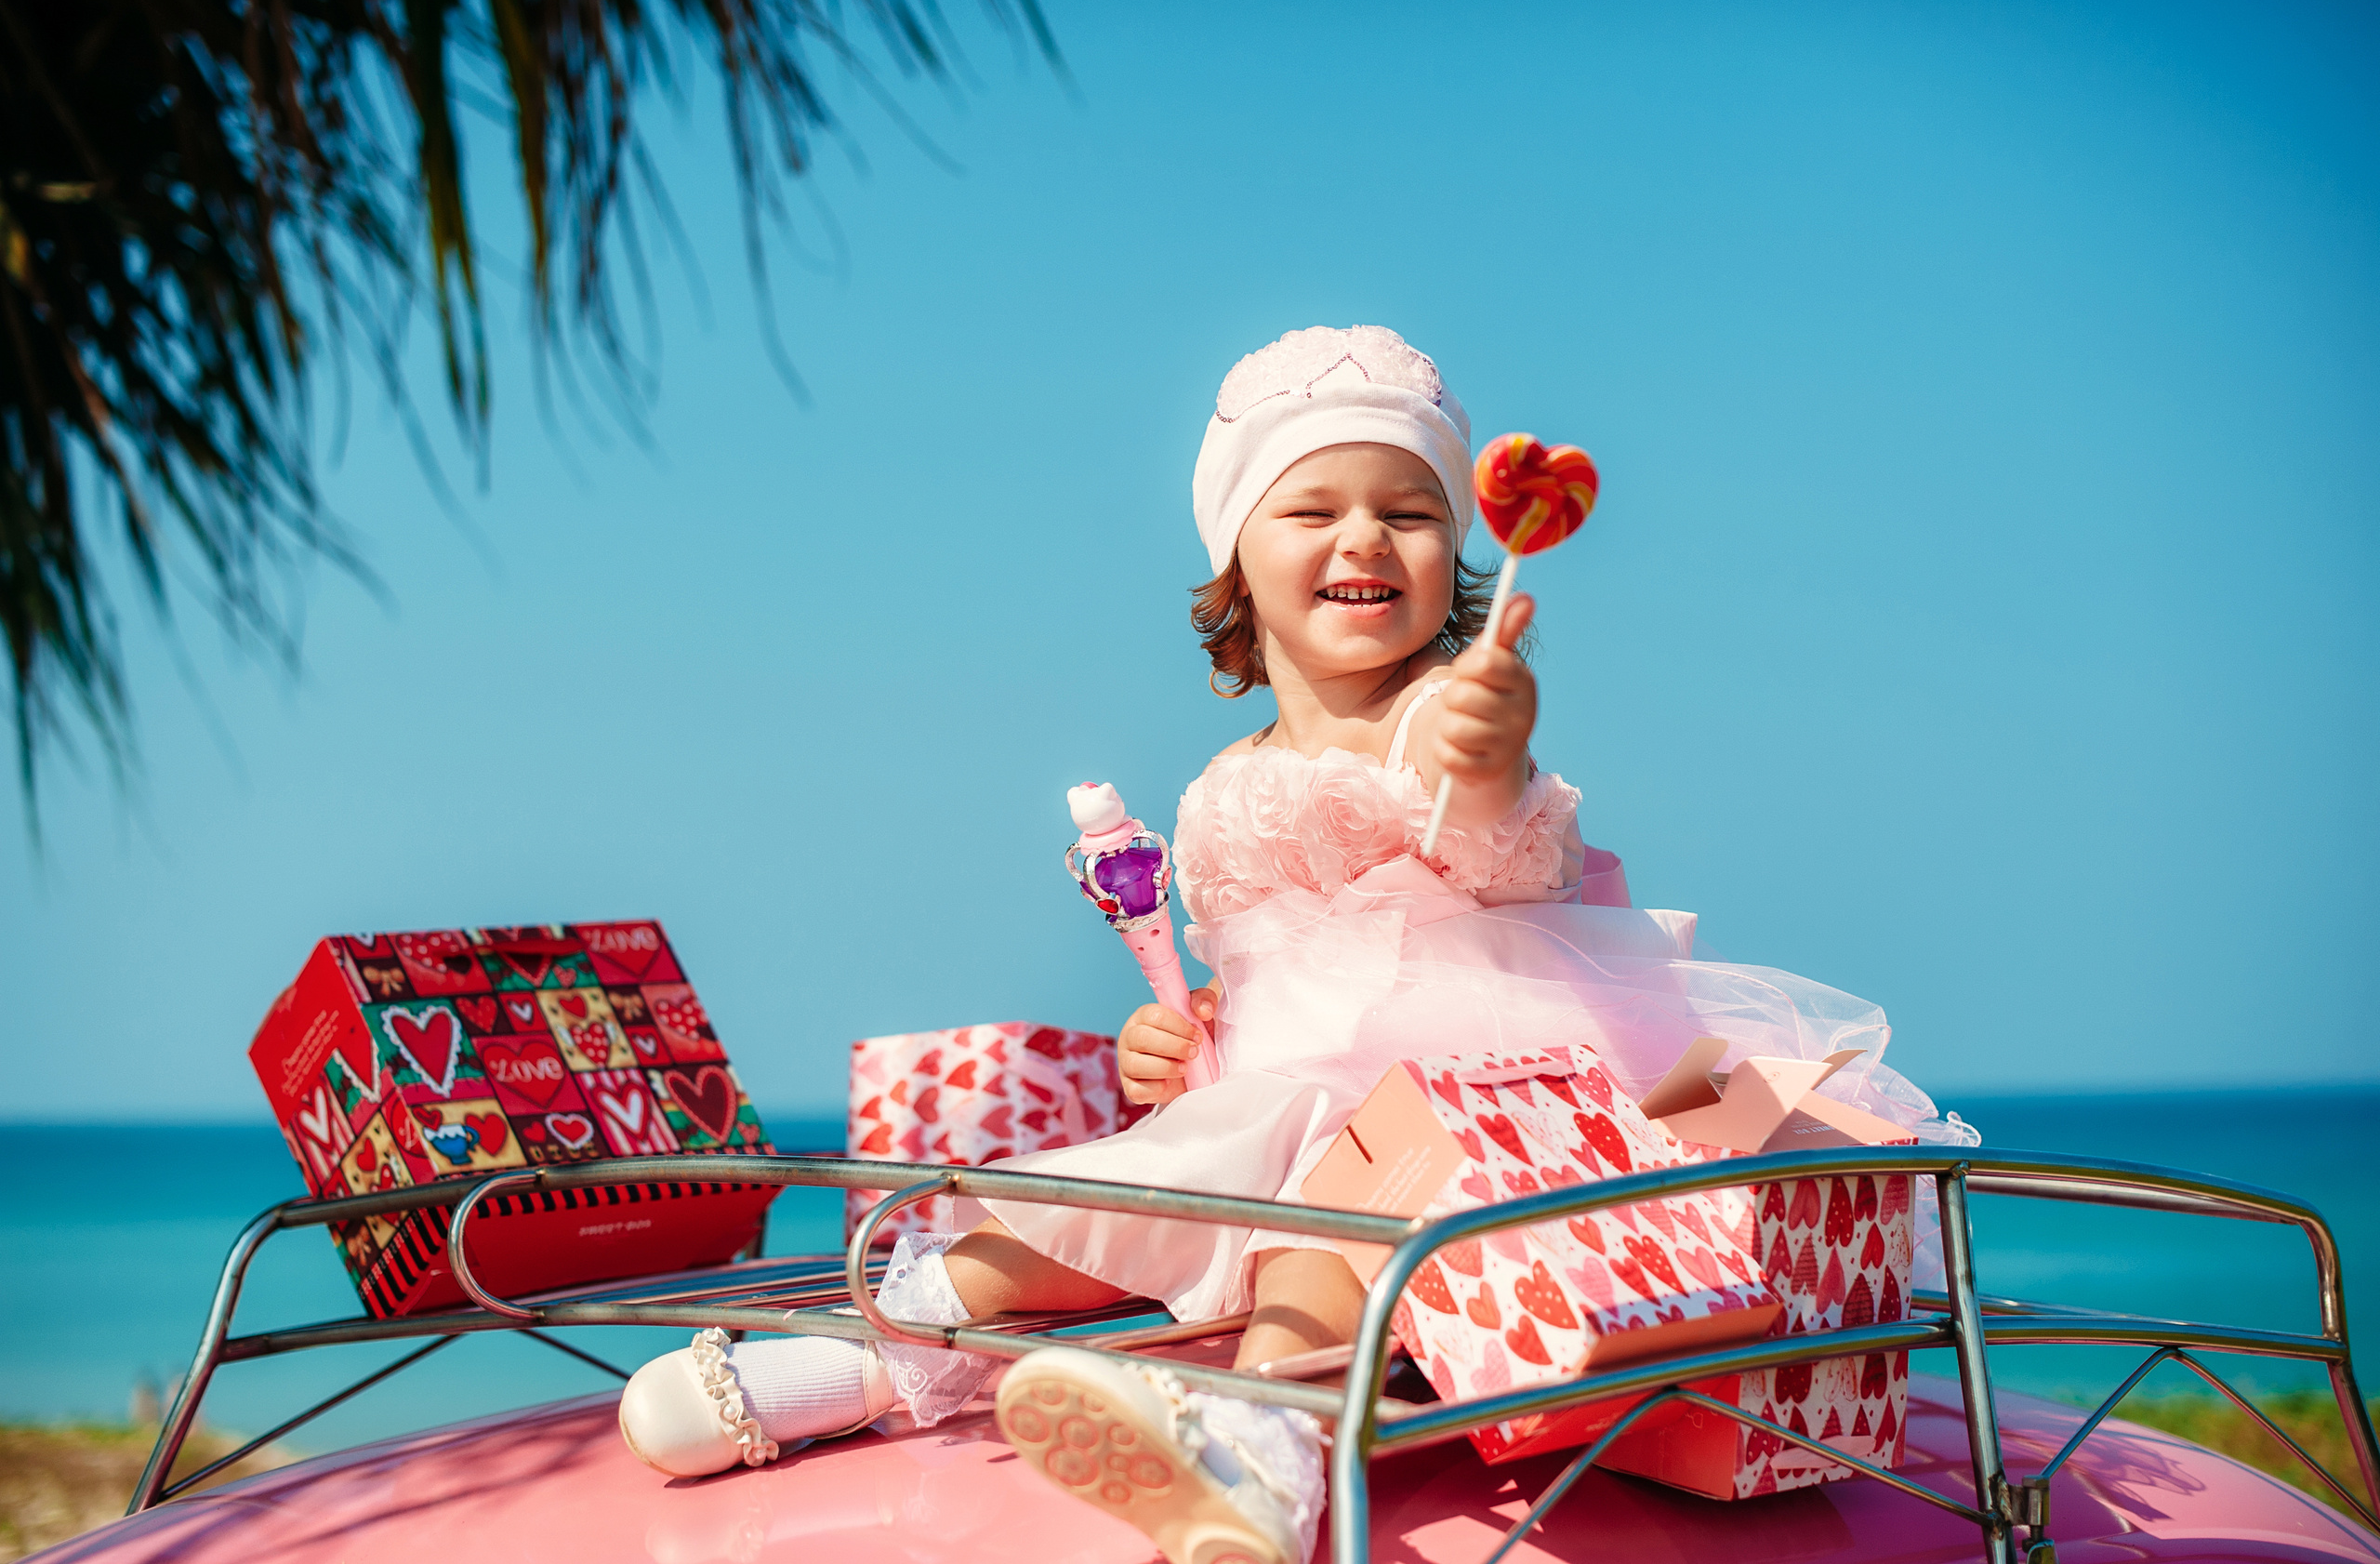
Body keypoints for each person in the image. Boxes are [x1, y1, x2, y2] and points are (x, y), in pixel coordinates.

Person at [615, 325, 1975, 1564]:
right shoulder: (1215, 790)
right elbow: (1260, 984)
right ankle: (882, 1355)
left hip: (1486, 1118)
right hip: (1287, 1103)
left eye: (1411, 511)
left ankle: (1258, 1454)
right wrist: (1179, 1042)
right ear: (1234, 562)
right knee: (1105, 1208)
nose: (1366, 538)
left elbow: (1496, 837)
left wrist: (1494, 747)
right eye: (1313, 507)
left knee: (1322, 1223)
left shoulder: (1448, 714)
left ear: (1459, 555)